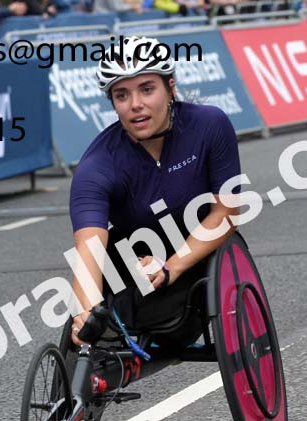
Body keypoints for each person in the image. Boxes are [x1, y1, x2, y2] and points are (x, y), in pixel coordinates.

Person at [68, 36, 241, 347]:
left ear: (171, 88)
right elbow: (89, 249)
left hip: (197, 248)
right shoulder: (96, 166)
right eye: (122, 95)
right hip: (136, 260)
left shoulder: (209, 125)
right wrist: (86, 312)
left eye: (147, 89)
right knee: (90, 310)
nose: (136, 104)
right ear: (113, 103)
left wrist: (170, 267)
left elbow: (227, 213)